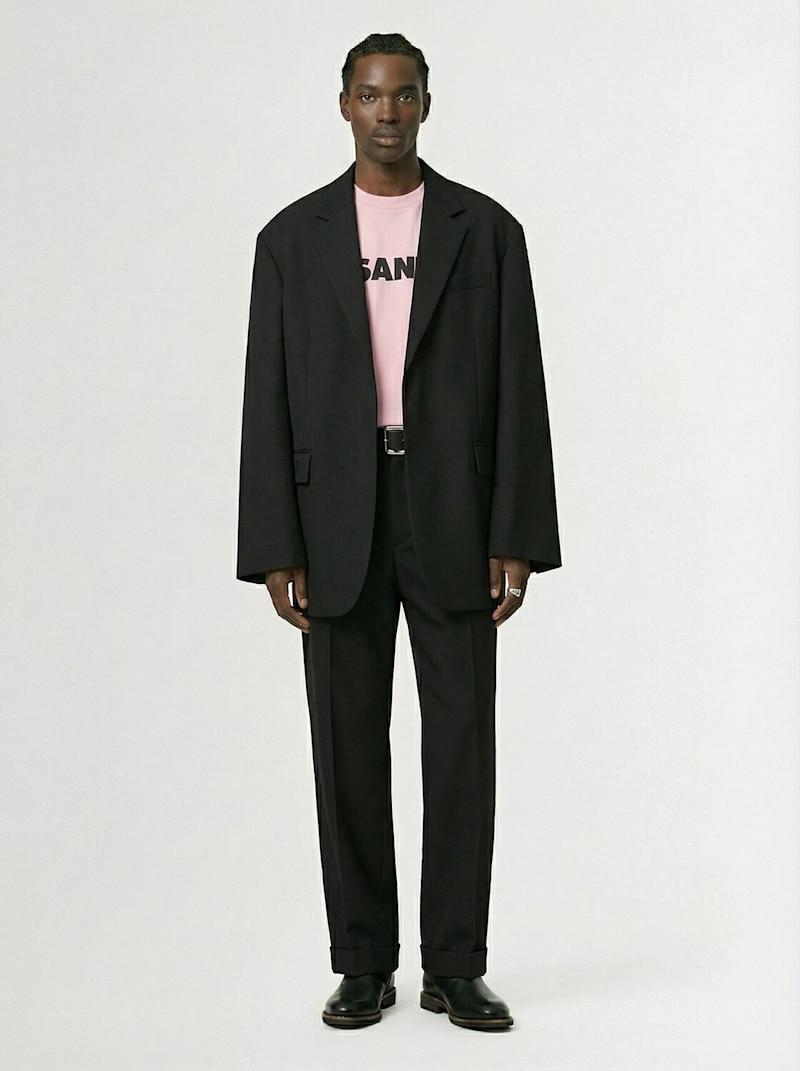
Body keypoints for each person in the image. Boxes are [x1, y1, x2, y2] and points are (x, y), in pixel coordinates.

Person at [236, 32, 562, 1031]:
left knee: (461, 742)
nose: (388, 112)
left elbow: (518, 387)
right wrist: (274, 545)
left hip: (453, 509)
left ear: (426, 103)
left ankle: (455, 965)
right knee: (345, 746)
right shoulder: (290, 239)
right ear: (343, 104)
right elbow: (266, 397)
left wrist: (516, 532)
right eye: (370, 95)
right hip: (333, 512)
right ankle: (362, 964)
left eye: (404, 94)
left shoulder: (485, 231)